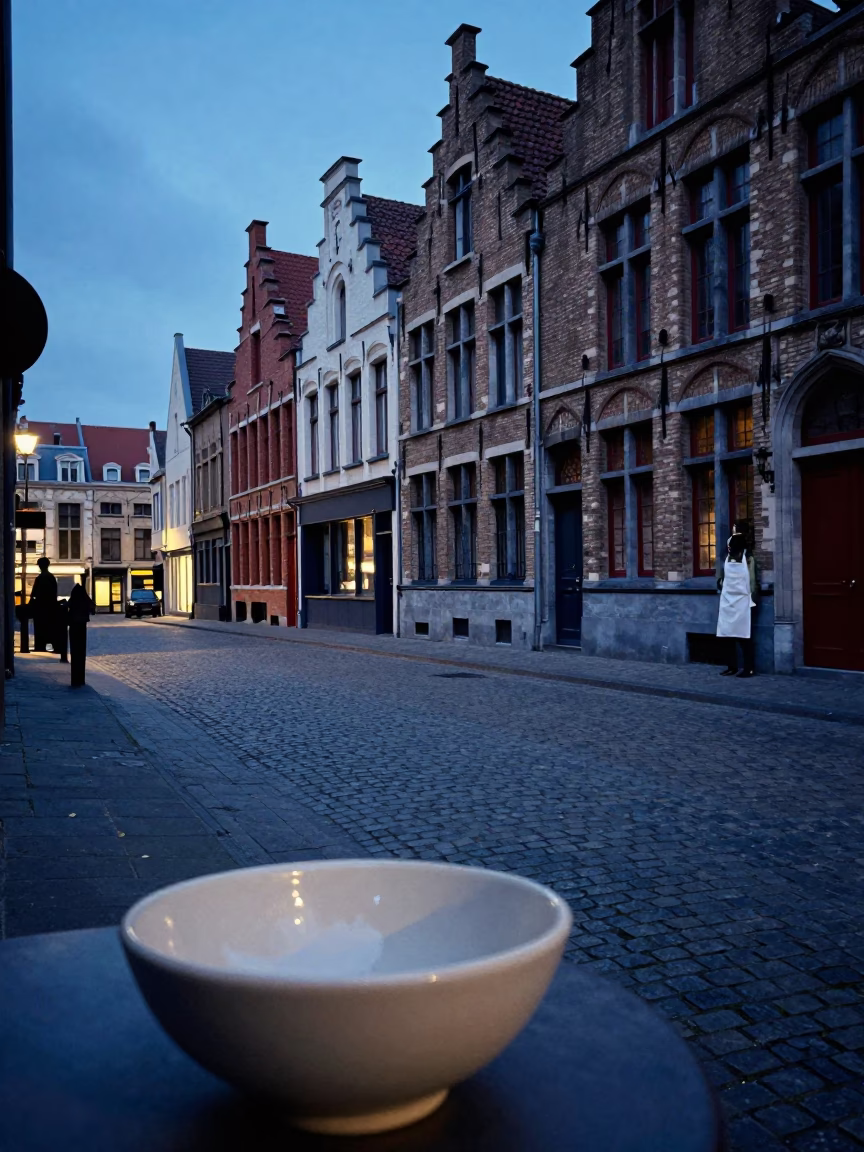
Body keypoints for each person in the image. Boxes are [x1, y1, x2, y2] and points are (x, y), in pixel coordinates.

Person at [716, 528, 757, 677]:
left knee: (744, 637)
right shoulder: (727, 559)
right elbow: (722, 578)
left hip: (743, 602)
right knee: (727, 636)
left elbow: (752, 582)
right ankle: (731, 666)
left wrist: (752, 600)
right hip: (728, 602)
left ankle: (748, 668)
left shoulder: (749, 560)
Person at [68, 577, 96, 687]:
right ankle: (79, 678)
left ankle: (76, 679)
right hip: (82, 625)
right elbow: (92, 607)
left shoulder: (74, 599)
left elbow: (67, 605)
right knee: (80, 651)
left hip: (74, 625)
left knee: (75, 651)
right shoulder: (84, 599)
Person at [28, 557, 58, 652]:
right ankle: (51, 645)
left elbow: (34, 594)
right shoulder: (51, 577)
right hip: (50, 608)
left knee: (40, 628)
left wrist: (31, 603)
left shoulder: (40, 578)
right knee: (49, 627)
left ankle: (40, 646)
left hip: (40, 608)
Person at [55, 598, 69, 663]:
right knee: (63, 639)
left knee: (62, 638)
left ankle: (63, 657)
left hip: (60, 623)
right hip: (64, 624)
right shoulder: (65, 608)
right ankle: (64, 657)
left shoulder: (59, 608)